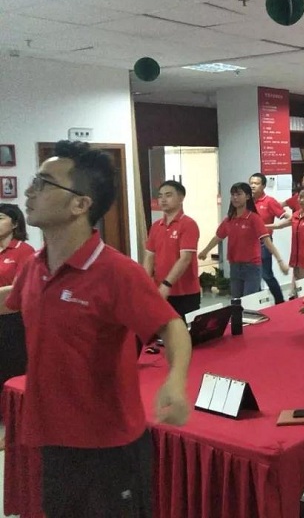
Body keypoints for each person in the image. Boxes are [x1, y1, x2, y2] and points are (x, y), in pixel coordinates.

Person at [0, 140, 191, 516]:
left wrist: (175, 380)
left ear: (80, 204)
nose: (30, 191)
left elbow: (172, 328)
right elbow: (12, 299)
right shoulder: (36, 266)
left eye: (43, 183)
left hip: (109, 447)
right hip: (52, 440)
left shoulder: (117, 272)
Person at [199, 182, 288, 298]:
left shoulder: (254, 218)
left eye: (239, 194)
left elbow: (267, 241)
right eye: (233, 195)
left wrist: (280, 261)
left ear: (247, 196)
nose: (235, 198)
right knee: (236, 300)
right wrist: (205, 251)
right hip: (235, 266)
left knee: (248, 301)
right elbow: (218, 237)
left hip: (252, 267)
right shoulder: (229, 220)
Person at [0, 204, 35, 450]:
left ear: (14, 223)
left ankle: (13, 430)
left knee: (11, 373)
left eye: (0, 218)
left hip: (13, 320)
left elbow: (21, 287)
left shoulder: (24, 250)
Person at [143, 180, 200, 321]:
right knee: (160, 330)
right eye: (160, 196)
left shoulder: (188, 224)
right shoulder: (156, 226)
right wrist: (145, 284)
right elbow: (149, 257)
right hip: (159, 292)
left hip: (184, 293)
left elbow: (185, 258)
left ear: (181, 198)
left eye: (168, 195)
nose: (163, 200)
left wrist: (167, 284)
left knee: (184, 331)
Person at [249, 173, 290, 304]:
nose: (253, 186)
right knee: (253, 276)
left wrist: (271, 226)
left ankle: (280, 301)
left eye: (256, 183)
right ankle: (256, 303)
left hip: (264, 243)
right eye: (251, 183)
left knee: (266, 274)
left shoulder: (269, 201)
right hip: (249, 244)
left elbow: (288, 218)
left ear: (263, 186)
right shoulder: (247, 202)